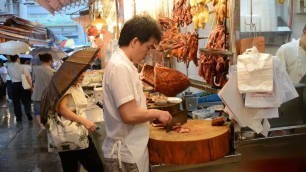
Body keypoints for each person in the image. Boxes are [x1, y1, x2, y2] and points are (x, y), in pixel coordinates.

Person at [102, 15, 173, 172]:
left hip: (131, 150)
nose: (148, 53)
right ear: (134, 42)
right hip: (126, 155)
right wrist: (156, 113)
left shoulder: (124, 64)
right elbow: (129, 115)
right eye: (148, 47)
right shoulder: (120, 67)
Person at [56, 72, 104, 172]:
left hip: (78, 132)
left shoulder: (77, 86)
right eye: (78, 73)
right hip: (70, 133)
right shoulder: (66, 86)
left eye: (83, 72)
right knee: (95, 167)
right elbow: (61, 108)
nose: (82, 75)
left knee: (71, 167)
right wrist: (84, 122)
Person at [31, 53, 55, 131]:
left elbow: (33, 80)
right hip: (49, 95)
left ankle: (42, 126)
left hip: (37, 94)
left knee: (37, 112)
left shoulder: (35, 69)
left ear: (41, 60)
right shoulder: (53, 71)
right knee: (49, 112)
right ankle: (49, 125)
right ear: (50, 61)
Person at [7, 55, 33, 122]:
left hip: (14, 85)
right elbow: (28, 77)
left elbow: (10, 76)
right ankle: (28, 114)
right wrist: (30, 86)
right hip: (23, 84)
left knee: (16, 102)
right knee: (26, 100)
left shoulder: (9, 67)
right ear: (17, 58)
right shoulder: (22, 66)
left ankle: (18, 117)